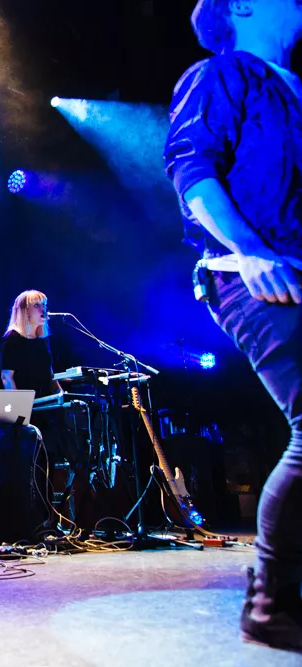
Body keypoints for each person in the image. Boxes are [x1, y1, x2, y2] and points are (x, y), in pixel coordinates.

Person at [165, 0, 302, 651]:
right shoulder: (221, 73)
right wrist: (248, 250)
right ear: (242, 5)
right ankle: (271, 598)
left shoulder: (294, 88)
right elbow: (191, 168)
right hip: (250, 272)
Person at [0, 290, 62, 399]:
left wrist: (61, 395)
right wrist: (17, 404)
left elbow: (50, 375)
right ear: (25, 311)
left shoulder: (42, 340)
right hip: (26, 402)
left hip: (46, 401)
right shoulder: (12, 338)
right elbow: (7, 377)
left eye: (44, 305)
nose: (43, 309)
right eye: (36, 305)